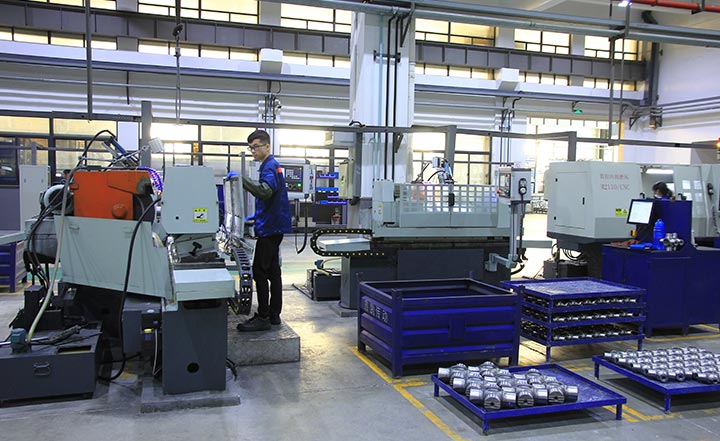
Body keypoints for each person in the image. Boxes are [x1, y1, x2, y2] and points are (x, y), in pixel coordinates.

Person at [236, 129, 292, 332]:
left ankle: (263, 317)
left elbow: (265, 192)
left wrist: (241, 180)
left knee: (259, 271)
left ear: (267, 146)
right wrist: (256, 216)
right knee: (273, 271)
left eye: (256, 147)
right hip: (273, 225)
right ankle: (274, 315)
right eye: (250, 148)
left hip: (270, 228)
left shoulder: (269, 166)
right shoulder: (272, 165)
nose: (253, 151)